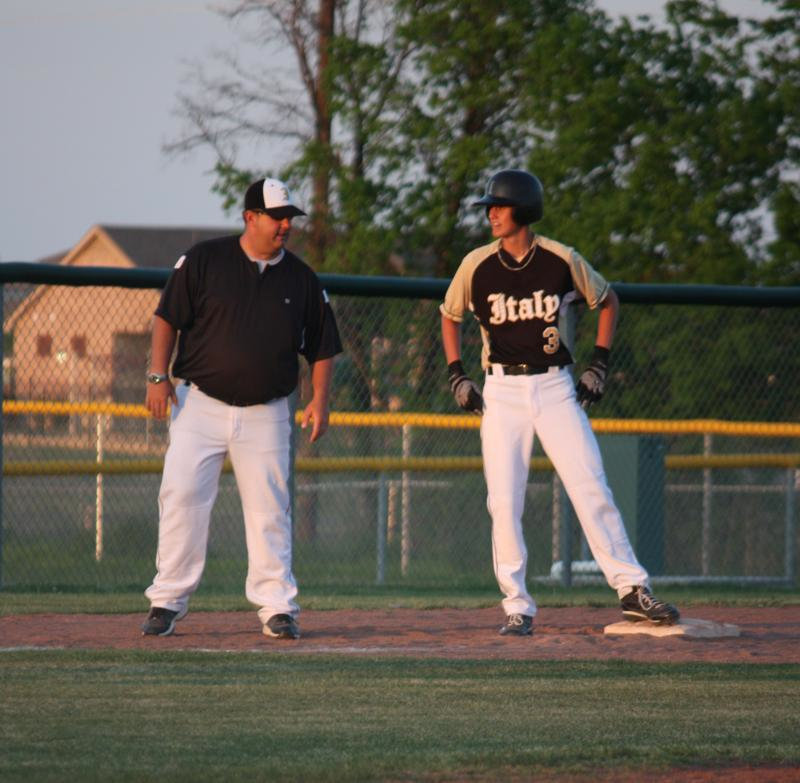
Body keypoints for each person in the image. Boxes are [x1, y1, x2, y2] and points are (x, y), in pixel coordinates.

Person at [440, 169, 679, 636]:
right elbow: (449, 316)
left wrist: (599, 365)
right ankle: (517, 604)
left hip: (554, 388)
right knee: (504, 501)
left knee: (590, 485)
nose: (490, 213)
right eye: (489, 206)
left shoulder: (559, 259)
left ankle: (631, 589)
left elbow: (607, 301)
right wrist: (457, 376)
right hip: (502, 392)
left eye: (499, 206)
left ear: (523, 210)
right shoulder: (476, 265)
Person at [141, 176, 342, 640]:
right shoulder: (205, 260)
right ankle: (167, 600)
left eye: (290, 218)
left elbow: (323, 346)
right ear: (250, 217)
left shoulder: (302, 278)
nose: (285, 226)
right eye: (277, 217)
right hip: (199, 405)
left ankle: (277, 607)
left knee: (270, 507)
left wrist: (320, 400)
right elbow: (166, 318)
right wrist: (157, 375)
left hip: (268, 411)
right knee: (182, 497)